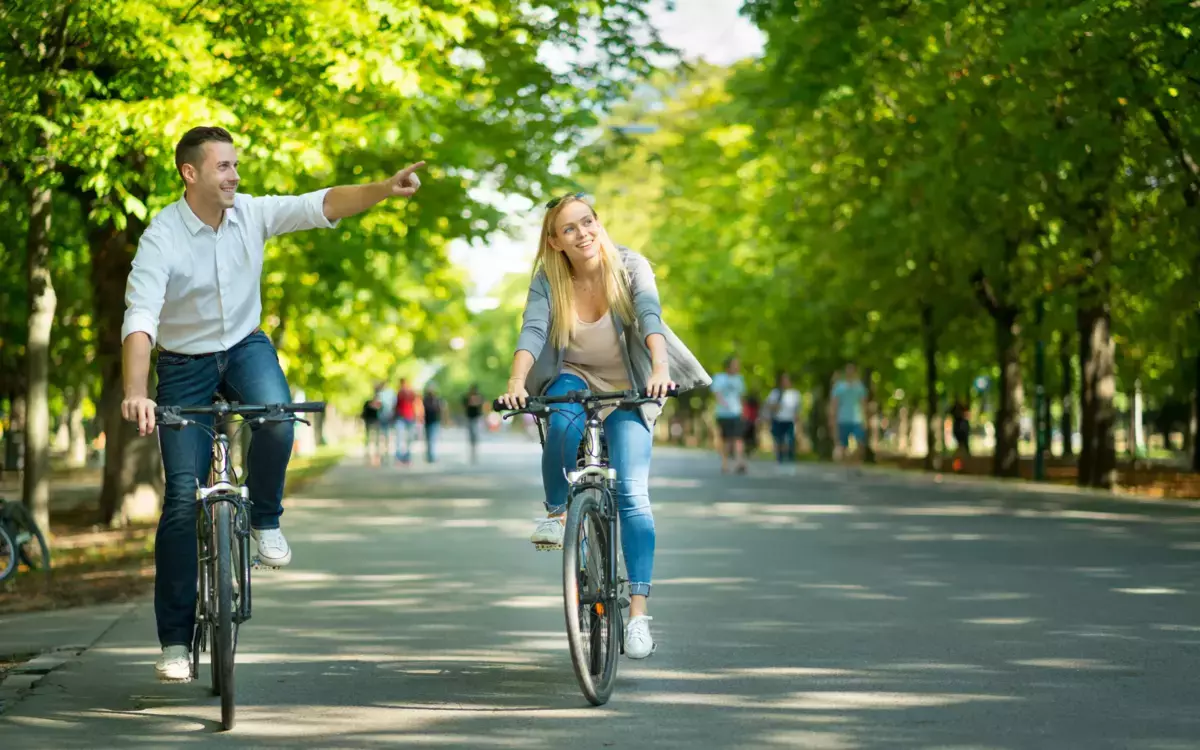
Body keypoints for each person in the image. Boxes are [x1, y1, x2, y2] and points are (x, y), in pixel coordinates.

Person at [119, 125, 424, 682]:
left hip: (243, 347)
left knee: (278, 422)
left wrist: (382, 187)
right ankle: (173, 644)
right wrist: (136, 392)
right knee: (182, 501)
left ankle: (264, 521)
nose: (235, 175)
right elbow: (140, 316)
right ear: (191, 174)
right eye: (224, 167)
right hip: (183, 363)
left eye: (236, 165)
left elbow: (322, 203)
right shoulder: (161, 236)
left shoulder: (253, 213)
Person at [497, 192, 709, 660]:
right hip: (575, 377)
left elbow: (650, 316)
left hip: (630, 383)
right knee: (561, 422)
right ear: (555, 242)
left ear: (598, 223)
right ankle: (556, 512)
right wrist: (516, 380)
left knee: (632, 493)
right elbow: (533, 330)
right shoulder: (548, 281)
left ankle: (637, 615)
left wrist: (659, 369)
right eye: (570, 228)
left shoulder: (631, 266)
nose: (583, 233)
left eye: (587, 222)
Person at [710, 356, 747, 474]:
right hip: (723, 413)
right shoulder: (719, 378)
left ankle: (739, 462)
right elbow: (717, 393)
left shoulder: (739, 379)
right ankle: (725, 464)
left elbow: (741, 396)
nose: (737, 367)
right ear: (728, 366)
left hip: (736, 413)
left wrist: (743, 410)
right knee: (726, 440)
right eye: (735, 364)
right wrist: (724, 404)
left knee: (738, 438)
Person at [829, 362, 868, 462]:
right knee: (842, 446)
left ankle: (855, 465)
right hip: (842, 419)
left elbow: (863, 404)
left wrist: (865, 419)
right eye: (848, 370)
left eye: (852, 370)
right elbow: (834, 404)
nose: (849, 372)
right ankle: (845, 469)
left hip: (857, 419)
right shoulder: (839, 387)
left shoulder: (859, 387)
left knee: (859, 443)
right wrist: (832, 419)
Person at [766, 372, 802, 463]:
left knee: (790, 439)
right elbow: (769, 406)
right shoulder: (775, 393)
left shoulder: (795, 394)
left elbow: (797, 408)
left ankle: (790, 456)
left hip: (789, 420)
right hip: (778, 419)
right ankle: (780, 456)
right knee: (779, 439)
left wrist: (798, 418)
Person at [393, 377, 419, 464]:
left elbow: (416, 403)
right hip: (401, 417)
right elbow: (396, 406)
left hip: (410, 417)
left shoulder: (412, 393)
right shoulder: (399, 393)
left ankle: (407, 457)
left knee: (409, 438)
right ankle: (399, 457)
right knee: (400, 438)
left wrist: (417, 416)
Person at [422, 383, 445, 463]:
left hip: (435, 421)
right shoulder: (425, 399)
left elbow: (440, 409)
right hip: (427, 421)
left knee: (432, 439)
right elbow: (426, 409)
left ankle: (432, 456)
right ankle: (429, 455)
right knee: (429, 439)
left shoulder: (437, 399)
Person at [463, 383, 485, 463]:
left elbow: (482, 404)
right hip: (469, 418)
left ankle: (475, 451)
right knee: (471, 435)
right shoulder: (467, 397)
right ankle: (472, 451)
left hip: (477, 418)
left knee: (476, 434)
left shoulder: (480, 397)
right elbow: (464, 405)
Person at [361, 393, 382, 465]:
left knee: (376, 439)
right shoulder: (367, 403)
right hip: (368, 422)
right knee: (369, 438)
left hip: (376, 422)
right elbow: (364, 412)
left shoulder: (379, 404)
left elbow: (381, 413)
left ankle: (376, 454)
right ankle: (367, 452)